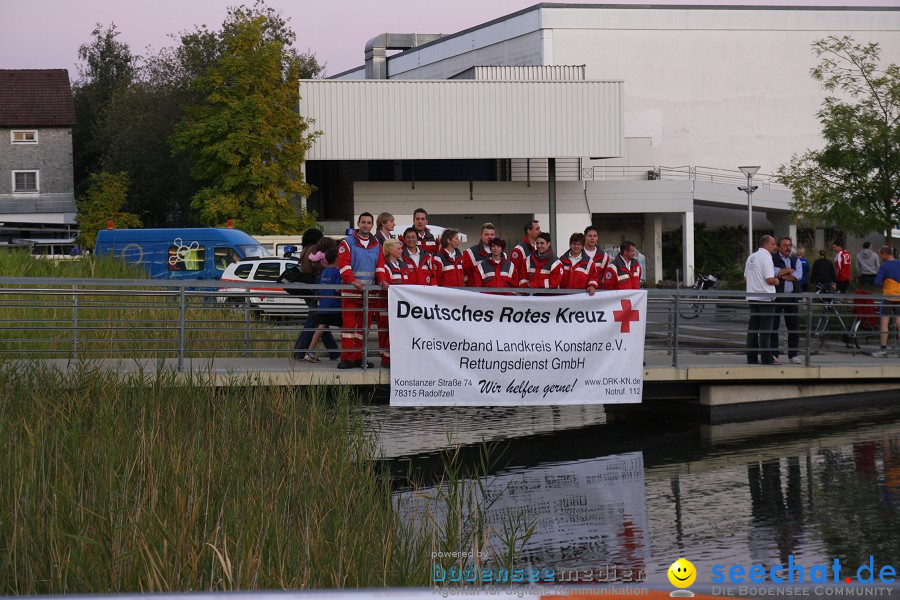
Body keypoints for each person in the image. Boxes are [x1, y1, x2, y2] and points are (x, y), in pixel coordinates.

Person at [336, 212, 389, 369]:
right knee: (349, 328)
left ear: (372, 225)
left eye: (369, 223)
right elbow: (344, 266)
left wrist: (382, 280)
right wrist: (353, 280)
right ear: (358, 224)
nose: (366, 225)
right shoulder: (347, 243)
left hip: (369, 295)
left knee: (362, 330)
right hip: (352, 293)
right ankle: (347, 358)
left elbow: (379, 267)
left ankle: (359, 357)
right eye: (363, 222)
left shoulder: (377, 245)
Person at [745, 235, 782, 365]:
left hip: (752, 296)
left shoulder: (751, 257)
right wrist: (777, 280)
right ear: (766, 244)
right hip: (766, 297)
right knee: (766, 329)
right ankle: (767, 357)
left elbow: (745, 278)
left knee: (753, 328)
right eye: (773, 244)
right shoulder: (766, 257)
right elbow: (769, 279)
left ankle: (751, 357)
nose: (775, 246)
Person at [375, 239, 411, 368]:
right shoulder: (385, 266)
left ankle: (392, 358)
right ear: (391, 250)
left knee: (396, 332)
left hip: (400, 305)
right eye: (399, 248)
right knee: (386, 331)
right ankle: (386, 360)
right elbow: (388, 284)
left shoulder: (402, 264)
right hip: (387, 304)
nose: (402, 250)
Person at [304, 248, 342, 363]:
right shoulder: (338, 272)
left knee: (320, 328)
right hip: (336, 306)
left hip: (324, 305)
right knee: (346, 330)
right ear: (336, 259)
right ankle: (347, 353)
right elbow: (338, 288)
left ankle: (310, 351)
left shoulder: (324, 272)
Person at [770, 237, 802, 364]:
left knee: (793, 327)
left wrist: (781, 275)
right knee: (773, 326)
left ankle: (793, 354)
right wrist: (789, 271)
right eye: (785, 245)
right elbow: (772, 273)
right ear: (779, 247)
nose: (788, 248)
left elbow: (797, 276)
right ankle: (774, 353)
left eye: (790, 245)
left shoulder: (796, 259)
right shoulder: (772, 258)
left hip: (791, 297)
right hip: (776, 296)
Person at [871, 245, 900, 358]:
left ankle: (883, 350)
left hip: (888, 297)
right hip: (899, 297)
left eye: (880, 255)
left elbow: (877, 282)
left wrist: (885, 282)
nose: (880, 257)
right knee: (899, 323)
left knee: (884, 323)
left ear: (884, 254)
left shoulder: (884, 266)